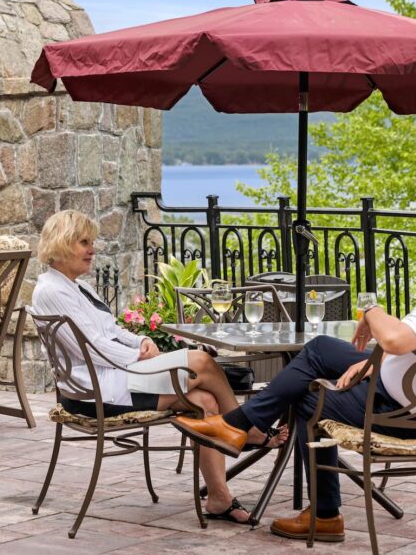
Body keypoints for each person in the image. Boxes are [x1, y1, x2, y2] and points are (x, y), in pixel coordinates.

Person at [171, 211, 416, 542]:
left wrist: (372, 312)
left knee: (305, 398)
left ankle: (325, 514)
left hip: (402, 413)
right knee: (320, 349)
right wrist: (375, 362)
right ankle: (239, 424)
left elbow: (395, 340)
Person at [31, 210, 286, 524]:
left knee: (205, 402)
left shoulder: (75, 287)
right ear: (63, 243)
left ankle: (219, 499)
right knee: (202, 361)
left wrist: (139, 341)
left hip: (114, 377)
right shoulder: (52, 291)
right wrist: (140, 358)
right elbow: (94, 348)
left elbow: (109, 331)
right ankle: (246, 428)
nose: (92, 249)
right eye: (84, 242)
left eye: (91, 242)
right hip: (99, 392)